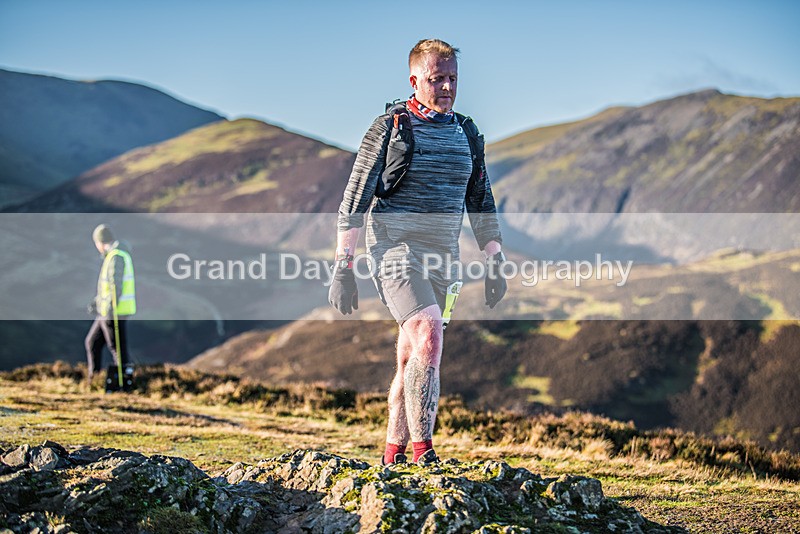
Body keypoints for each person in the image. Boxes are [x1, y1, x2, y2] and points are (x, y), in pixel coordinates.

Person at [329, 39, 507, 465]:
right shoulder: (390, 128)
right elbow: (355, 198)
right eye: (436, 78)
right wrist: (343, 267)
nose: (447, 87)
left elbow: (480, 200)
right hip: (394, 250)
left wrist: (494, 261)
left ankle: (392, 455)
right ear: (414, 80)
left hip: (443, 256)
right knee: (429, 332)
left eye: (452, 79)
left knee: (413, 353)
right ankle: (424, 454)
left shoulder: (466, 133)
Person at [85, 224, 136, 391]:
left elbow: (115, 284)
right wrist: (97, 303)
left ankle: (124, 385)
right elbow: (107, 287)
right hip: (108, 310)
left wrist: (110, 307)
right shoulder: (116, 255)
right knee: (93, 342)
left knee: (117, 348)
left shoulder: (116, 256)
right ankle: (95, 382)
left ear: (100, 242)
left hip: (114, 311)